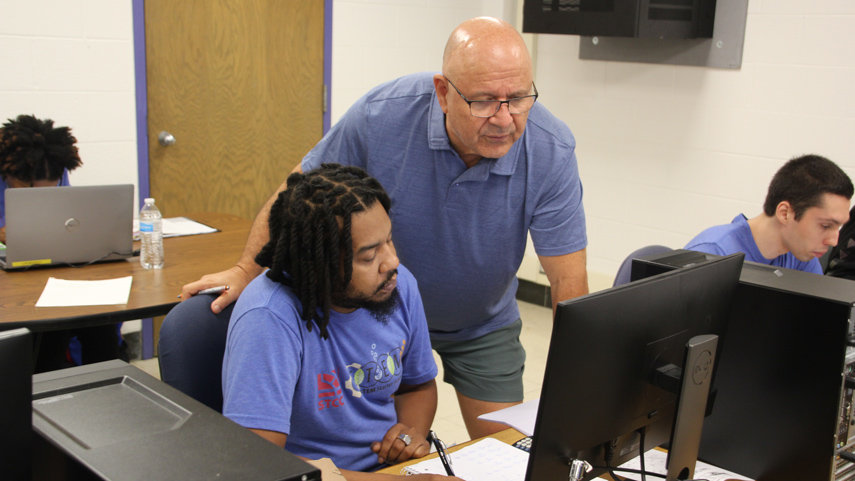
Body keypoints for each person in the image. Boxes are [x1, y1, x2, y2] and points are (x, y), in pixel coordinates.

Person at [185, 17, 589, 438]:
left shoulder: (549, 148)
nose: (505, 119)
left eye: (519, 98)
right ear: (444, 92)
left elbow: (568, 283)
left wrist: (578, 388)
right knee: (357, 436)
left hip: (480, 323)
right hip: (377, 310)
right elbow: (301, 190)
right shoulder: (381, 115)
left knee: (509, 450)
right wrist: (245, 270)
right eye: (484, 101)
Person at [222, 164, 458, 480]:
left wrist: (409, 436)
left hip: (389, 471)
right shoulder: (269, 317)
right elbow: (259, 466)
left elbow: (416, 384)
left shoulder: (398, 286)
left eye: (389, 240)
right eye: (368, 256)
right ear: (319, 267)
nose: (392, 261)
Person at [0, 114, 124, 371]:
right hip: (11, 288)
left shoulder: (53, 167)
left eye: (49, 189)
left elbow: (66, 223)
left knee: (100, 320)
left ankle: (107, 388)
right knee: (50, 328)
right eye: (28, 189)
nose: (38, 197)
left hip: (46, 270)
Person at [685, 154, 853, 274]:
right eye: (825, 226)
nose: (834, 241)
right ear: (785, 213)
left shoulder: (801, 257)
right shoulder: (710, 255)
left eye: (839, 227)